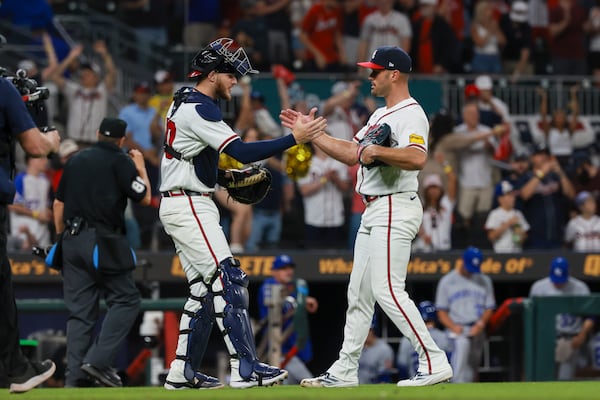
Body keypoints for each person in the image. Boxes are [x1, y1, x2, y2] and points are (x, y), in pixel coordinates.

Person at [157, 37, 326, 390]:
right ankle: (245, 367)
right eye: (231, 74)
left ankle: (181, 372)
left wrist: (221, 176)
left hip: (183, 198)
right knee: (228, 279)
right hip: (189, 203)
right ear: (214, 73)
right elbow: (244, 152)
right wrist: (294, 138)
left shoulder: (184, 102)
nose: (235, 81)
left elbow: (190, 157)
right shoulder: (200, 106)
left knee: (204, 291)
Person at [282, 45, 453, 388]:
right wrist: (312, 134)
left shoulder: (411, 113)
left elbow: (417, 157)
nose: (369, 75)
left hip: (395, 204)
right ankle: (345, 371)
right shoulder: (379, 115)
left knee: (387, 289)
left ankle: (433, 360)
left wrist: (377, 150)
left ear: (394, 74)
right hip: (374, 208)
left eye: (375, 71)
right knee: (358, 295)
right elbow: (351, 153)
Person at [53, 117, 151, 387]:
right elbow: (143, 197)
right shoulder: (120, 160)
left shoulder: (75, 160)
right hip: (101, 240)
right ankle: (97, 361)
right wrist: (140, 168)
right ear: (122, 140)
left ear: (97, 134)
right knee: (127, 299)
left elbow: (58, 205)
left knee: (80, 313)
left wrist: (61, 240)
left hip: (71, 240)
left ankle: (74, 381)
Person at [0, 70, 61, 393]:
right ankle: (15, 369)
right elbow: (36, 147)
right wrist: (51, 135)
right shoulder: (2, 88)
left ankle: (11, 369)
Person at [435, 247, 496, 383]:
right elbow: (441, 311)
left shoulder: (484, 280)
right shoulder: (447, 281)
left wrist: (480, 324)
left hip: (477, 328)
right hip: (457, 331)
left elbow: (489, 307)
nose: (470, 271)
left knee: (474, 367)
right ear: (462, 261)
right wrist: (453, 327)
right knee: (458, 368)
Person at [529, 257, 595, 380]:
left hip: (571, 337)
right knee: (545, 378)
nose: (558, 283)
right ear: (549, 270)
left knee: (564, 379)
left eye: (561, 280)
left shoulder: (580, 288)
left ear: (569, 273)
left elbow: (591, 315)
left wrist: (582, 334)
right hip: (546, 340)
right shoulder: (539, 287)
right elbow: (531, 317)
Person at [257, 254, 318, 384]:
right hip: (278, 348)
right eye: (283, 268)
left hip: (292, 348)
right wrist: (299, 301)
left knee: (287, 389)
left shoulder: (292, 288)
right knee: (310, 382)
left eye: (290, 267)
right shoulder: (269, 285)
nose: (288, 271)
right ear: (274, 271)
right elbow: (281, 307)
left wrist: (303, 300)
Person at [397, 301, 451, 380]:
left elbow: (402, 366)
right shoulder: (444, 337)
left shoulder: (406, 338)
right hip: (439, 383)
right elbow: (451, 364)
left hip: (414, 384)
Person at [484, 180, 530, 253]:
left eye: (512, 194)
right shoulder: (495, 214)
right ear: (500, 198)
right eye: (508, 195)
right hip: (500, 253)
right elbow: (491, 236)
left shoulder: (518, 214)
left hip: (517, 254)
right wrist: (508, 224)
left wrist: (517, 230)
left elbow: (521, 240)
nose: (512, 198)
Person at [358, 318, 395, 384]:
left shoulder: (384, 349)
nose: (363, 333)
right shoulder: (355, 348)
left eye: (368, 330)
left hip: (373, 389)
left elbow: (385, 376)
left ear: (373, 331)